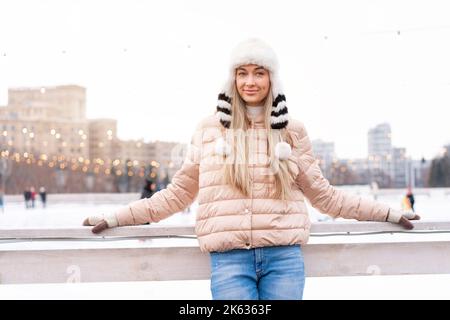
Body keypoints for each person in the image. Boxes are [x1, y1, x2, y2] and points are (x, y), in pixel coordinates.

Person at [83, 38, 421, 300]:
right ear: (232, 79)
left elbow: (325, 197)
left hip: (283, 258)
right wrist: (115, 218)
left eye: (259, 72)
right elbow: (176, 195)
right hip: (230, 260)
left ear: (272, 78)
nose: (250, 81)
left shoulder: (291, 131)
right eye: (242, 73)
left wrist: (389, 212)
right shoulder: (209, 129)